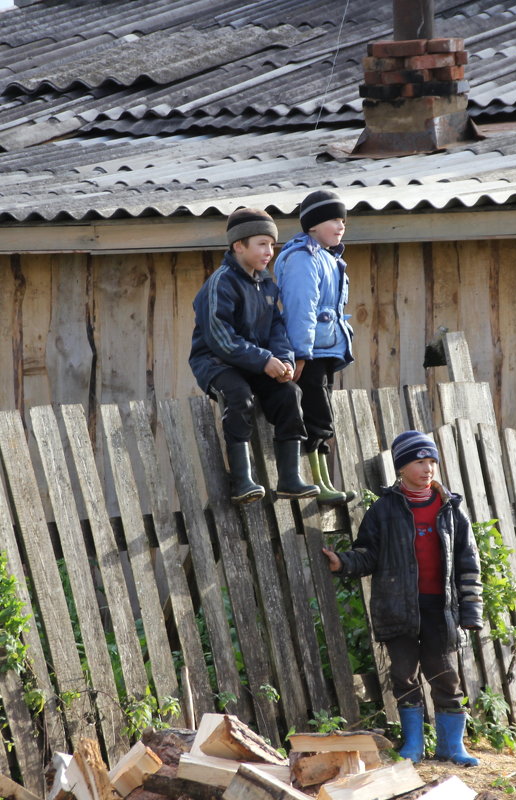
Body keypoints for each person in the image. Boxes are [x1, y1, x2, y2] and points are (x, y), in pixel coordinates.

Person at [322, 430, 483, 766]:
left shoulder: (452, 510)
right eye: (419, 462)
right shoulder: (384, 511)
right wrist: (344, 562)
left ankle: (452, 746)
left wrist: (471, 610)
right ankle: (413, 745)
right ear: (401, 468)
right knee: (404, 674)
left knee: (444, 673)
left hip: (441, 610)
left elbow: (469, 563)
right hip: (397, 608)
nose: (428, 469)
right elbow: (368, 554)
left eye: (432, 462)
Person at [189, 207, 319, 504]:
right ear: (238, 245)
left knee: (289, 394)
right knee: (239, 396)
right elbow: (220, 338)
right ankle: (242, 481)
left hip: (256, 364)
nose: (269, 252)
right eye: (262, 243)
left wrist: (284, 360)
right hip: (216, 363)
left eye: (272, 245)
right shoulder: (221, 283)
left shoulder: (267, 284)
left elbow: (277, 328)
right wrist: (264, 360)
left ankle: (289, 479)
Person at [274, 189, 354, 504]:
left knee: (321, 416)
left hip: (325, 350)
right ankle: (317, 484)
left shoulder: (328, 257)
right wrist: (301, 354)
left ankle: (323, 480)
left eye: (343, 219)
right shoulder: (302, 257)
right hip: (309, 352)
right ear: (312, 225)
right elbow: (300, 307)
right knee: (314, 416)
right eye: (333, 218)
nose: (340, 225)